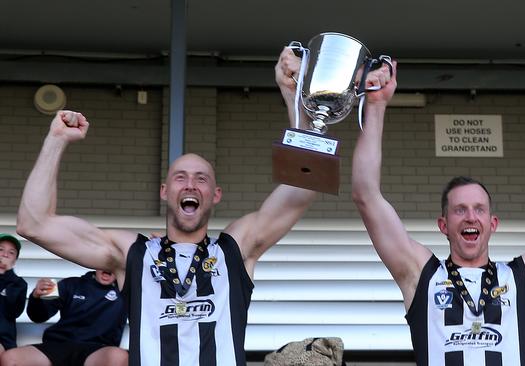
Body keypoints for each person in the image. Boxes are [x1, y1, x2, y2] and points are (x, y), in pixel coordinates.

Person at [16, 47, 317, 366]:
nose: (190, 185)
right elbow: (33, 224)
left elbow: (304, 186)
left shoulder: (234, 249)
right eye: (180, 177)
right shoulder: (131, 252)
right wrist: (56, 139)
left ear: (215, 194)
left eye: (201, 179)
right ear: (164, 191)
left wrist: (293, 96)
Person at [350, 63, 525, 365]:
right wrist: (376, 106)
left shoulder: (523, 277)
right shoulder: (421, 274)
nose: (470, 216)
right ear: (443, 225)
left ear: (492, 223)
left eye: (479, 209)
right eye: (460, 210)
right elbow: (366, 195)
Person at [0, 270, 128, 366]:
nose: (107, 267)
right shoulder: (71, 283)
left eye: (112, 263)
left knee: (119, 357)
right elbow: (38, 317)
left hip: (97, 351)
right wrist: (36, 297)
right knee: (10, 358)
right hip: (58, 346)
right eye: (103, 261)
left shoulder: (128, 293)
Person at [0, 233, 27, 355]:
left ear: (14, 261)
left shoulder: (19, 284)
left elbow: (13, 312)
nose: (5, 255)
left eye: (11, 253)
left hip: (5, 340)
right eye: (0, 249)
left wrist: (7, 274)